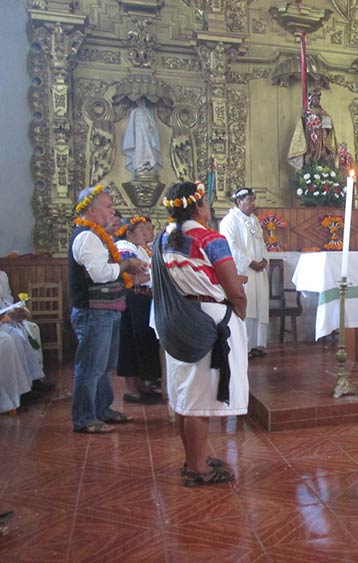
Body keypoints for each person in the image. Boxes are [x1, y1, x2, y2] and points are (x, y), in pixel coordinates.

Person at [156, 181, 248, 486]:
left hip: (177, 318)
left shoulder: (163, 239)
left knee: (184, 396)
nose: (209, 207)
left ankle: (192, 458)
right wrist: (239, 310)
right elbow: (233, 288)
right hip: (208, 321)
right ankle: (197, 469)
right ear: (198, 207)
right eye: (205, 202)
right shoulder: (210, 239)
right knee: (199, 400)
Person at [68, 185, 148, 433]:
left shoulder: (99, 236)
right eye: (108, 206)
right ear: (92, 210)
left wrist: (129, 272)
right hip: (93, 311)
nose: (113, 211)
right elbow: (100, 274)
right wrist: (127, 264)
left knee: (104, 365)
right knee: (91, 365)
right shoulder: (86, 236)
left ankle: (102, 409)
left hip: (108, 309)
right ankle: (84, 418)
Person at [114, 216, 162, 404]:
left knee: (144, 342)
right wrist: (152, 274)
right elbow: (132, 277)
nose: (147, 233)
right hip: (134, 299)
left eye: (149, 229)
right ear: (129, 232)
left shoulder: (141, 248)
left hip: (144, 298)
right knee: (132, 343)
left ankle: (143, 385)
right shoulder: (125, 248)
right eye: (142, 229)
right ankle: (132, 390)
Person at [219, 188, 270, 358]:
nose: (252, 204)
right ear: (238, 201)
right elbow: (230, 246)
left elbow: (262, 243)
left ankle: (257, 344)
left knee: (259, 304)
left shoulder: (254, 220)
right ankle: (244, 347)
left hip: (258, 270)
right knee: (247, 307)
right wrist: (249, 262)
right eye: (249, 200)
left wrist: (264, 259)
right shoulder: (229, 221)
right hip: (244, 270)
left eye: (253, 200)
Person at [287, 89, 337, 170]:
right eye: (315, 98)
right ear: (311, 99)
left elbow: (328, 128)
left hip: (321, 137)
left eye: (318, 99)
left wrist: (324, 121)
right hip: (311, 137)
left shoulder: (323, 112)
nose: (316, 100)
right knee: (311, 152)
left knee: (322, 152)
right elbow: (302, 125)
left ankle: (321, 164)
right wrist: (304, 118)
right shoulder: (307, 113)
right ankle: (309, 164)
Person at [123, 98, 162, 177]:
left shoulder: (147, 112)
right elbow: (131, 127)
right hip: (138, 135)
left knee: (149, 150)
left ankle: (149, 165)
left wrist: (150, 128)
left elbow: (152, 125)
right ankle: (140, 166)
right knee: (139, 150)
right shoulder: (135, 112)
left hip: (147, 135)